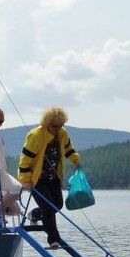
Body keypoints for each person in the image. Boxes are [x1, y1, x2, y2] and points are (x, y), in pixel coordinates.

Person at [18, 106, 80, 249]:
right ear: (46, 123)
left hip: (54, 177)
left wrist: (76, 160)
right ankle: (53, 238)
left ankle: (34, 214)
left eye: (60, 125)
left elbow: (69, 149)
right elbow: (25, 160)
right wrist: (26, 179)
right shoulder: (35, 136)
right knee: (48, 207)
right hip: (36, 179)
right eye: (54, 126)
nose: (57, 128)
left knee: (57, 205)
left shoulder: (62, 134)